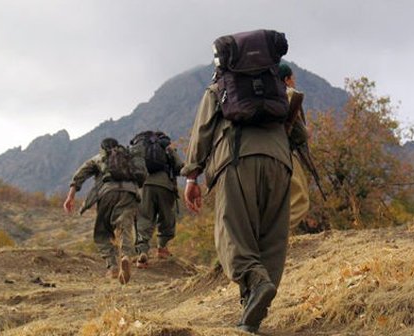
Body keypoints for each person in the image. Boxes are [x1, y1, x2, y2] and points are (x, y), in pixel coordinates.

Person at [182, 32, 292, 333]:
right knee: (271, 238)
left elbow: (202, 131)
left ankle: (255, 284)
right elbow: (297, 131)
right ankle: (252, 311)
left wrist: (192, 175)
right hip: (281, 164)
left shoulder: (219, 87)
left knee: (232, 233)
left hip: (237, 160)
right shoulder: (276, 87)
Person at [63, 138, 146, 284]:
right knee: (125, 226)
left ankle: (113, 266)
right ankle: (126, 255)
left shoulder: (99, 157)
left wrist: (70, 196)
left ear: (103, 147)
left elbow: (80, 175)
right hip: (130, 193)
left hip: (107, 193)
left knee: (102, 232)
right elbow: (142, 176)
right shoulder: (128, 157)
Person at [131, 131, 184, 268]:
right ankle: (162, 248)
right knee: (166, 216)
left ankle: (142, 253)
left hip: (144, 186)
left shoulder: (142, 148)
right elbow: (179, 166)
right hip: (165, 186)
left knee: (144, 218)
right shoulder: (166, 147)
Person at [279, 64, 311, 231]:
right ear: (286, 79)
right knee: (300, 199)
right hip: (283, 152)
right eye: (293, 78)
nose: (294, 81)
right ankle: (276, 237)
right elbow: (300, 135)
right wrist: (306, 132)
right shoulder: (289, 96)